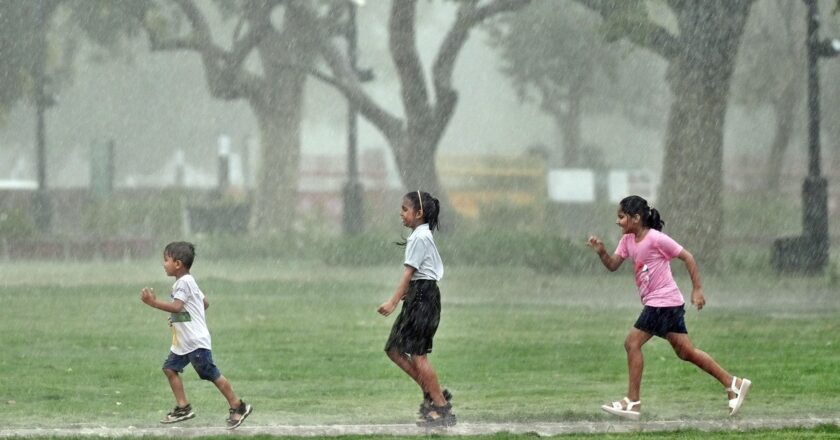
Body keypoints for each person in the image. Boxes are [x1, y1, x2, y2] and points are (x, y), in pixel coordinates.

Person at [586, 195, 751, 420]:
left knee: (632, 343)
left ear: (636, 218)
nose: (618, 221)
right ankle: (733, 383)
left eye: (622, 217)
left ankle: (632, 402)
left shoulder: (656, 239)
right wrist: (602, 252)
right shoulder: (627, 241)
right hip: (667, 305)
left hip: (662, 303)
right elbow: (613, 265)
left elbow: (688, 258)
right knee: (686, 352)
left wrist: (697, 290)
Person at [140, 241, 252, 429]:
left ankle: (238, 406)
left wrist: (153, 303)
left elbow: (177, 306)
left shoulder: (183, 283)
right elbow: (203, 304)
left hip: (195, 342)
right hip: (185, 343)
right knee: (170, 368)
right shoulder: (189, 281)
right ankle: (183, 408)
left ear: (178, 264)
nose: (163, 264)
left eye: (166, 260)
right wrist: (178, 318)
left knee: (211, 374)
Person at [377, 190, 456, 427]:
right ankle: (433, 393)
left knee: (419, 356)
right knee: (394, 349)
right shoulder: (419, 235)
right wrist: (407, 295)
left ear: (419, 213)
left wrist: (393, 301)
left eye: (405, 209)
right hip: (418, 296)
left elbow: (409, 273)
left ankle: (441, 408)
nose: (401, 214)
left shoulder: (420, 237)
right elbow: (415, 276)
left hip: (424, 298)